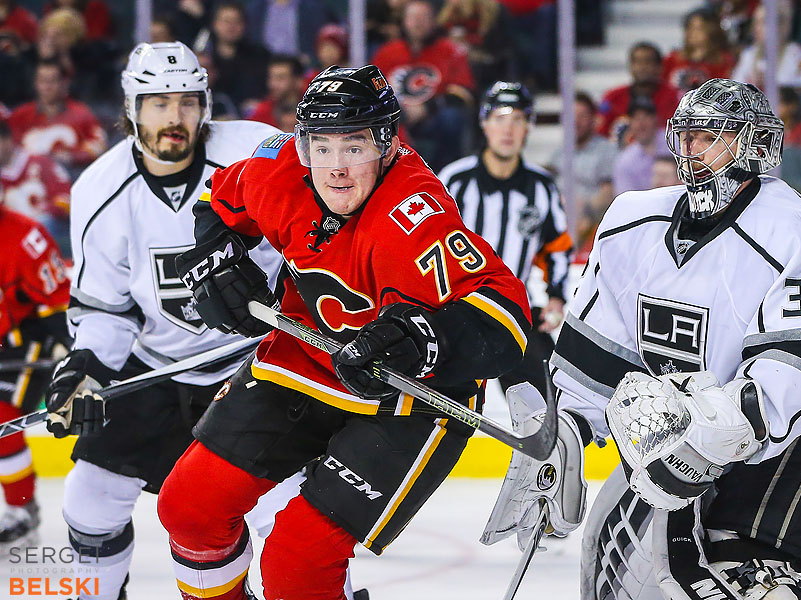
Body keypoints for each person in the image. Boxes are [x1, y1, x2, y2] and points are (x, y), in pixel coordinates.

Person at [488, 78, 801, 600]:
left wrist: (709, 435)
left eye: (710, 136)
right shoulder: (633, 222)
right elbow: (598, 356)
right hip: (688, 434)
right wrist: (564, 437)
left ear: (754, 145)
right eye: (687, 136)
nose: (692, 151)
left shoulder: (793, 230)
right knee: (619, 562)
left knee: (742, 569)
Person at [156, 64, 531, 600]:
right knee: (189, 508)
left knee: (297, 561)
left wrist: (420, 339)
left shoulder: (414, 215)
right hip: (306, 356)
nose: (335, 168)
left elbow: (507, 319)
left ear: (386, 143)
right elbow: (218, 199)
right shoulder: (279, 167)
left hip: (411, 397)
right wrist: (213, 258)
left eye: (353, 146)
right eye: (321, 146)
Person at [42, 41, 285, 600]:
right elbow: (107, 308)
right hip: (155, 366)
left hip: (252, 367)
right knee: (90, 500)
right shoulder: (98, 189)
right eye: (157, 103)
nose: (173, 117)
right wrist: (85, 367)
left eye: (185, 101)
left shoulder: (256, 153)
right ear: (131, 109)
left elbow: (315, 233)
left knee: (287, 505)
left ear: (206, 105)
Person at [439, 81, 570, 393]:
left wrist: (555, 297)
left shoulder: (542, 186)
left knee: (551, 399)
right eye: (499, 118)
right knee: (444, 406)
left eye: (518, 120)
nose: (508, 130)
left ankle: (544, 442)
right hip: (455, 310)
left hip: (514, 311)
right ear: (484, 124)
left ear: (528, 127)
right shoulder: (454, 181)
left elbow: (558, 248)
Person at [0, 183, 69, 552]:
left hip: (21, 342)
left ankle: (20, 512)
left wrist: (67, 341)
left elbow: (57, 299)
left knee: (2, 417)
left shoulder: (27, 237)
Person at [372, 0, 475, 170]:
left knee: (452, 118)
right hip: (395, 120)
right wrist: (399, 112)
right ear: (404, 21)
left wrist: (427, 107)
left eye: (424, 17)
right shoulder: (387, 52)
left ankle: (445, 174)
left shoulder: (450, 51)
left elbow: (463, 94)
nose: (418, 23)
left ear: (434, 21)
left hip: (434, 120)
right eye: (413, 17)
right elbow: (372, 92)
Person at [6, 57, 106, 171]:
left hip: (73, 174)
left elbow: (100, 145)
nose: (47, 87)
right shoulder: (20, 116)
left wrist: (73, 157)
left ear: (63, 83)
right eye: (43, 81)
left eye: (52, 80)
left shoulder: (81, 113)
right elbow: (8, 148)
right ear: (36, 84)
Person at [547, 90, 617, 247]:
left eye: (582, 116)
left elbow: (608, 193)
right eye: (571, 116)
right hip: (559, 217)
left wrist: (584, 208)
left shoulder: (606, 150)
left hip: (590, 222)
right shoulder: (559, 153)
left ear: (594, 119)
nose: (575, 121)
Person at [0, 118, 72, 256]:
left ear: (7, 140)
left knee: (42, 223)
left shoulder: (39, 162)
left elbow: (66, 198)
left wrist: (44, 211)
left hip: (49, 230)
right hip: (13, 236)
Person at [596, 41, 681, 147]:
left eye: (648, 62)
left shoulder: (675, 98)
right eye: (637, 62)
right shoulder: (613, 97)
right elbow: (599, 135)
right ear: (631, 66)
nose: (642, 67)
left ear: (660, 67)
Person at [612, 96, 669, 195]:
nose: (641, 124)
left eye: (646, 117)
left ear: (655, 119)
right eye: (636, 118)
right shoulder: (625, 161)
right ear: (630, 123)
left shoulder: (675, 142)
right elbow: (627, 200)